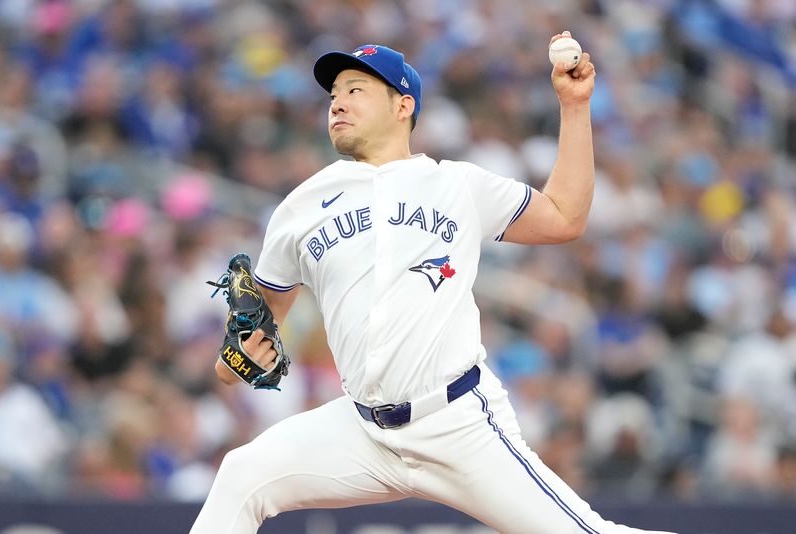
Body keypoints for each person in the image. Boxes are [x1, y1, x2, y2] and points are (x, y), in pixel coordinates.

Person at [191, 33, 675, 534]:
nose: (337, 101)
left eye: (356, 89)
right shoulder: (299, 207)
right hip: (361, 431)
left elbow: (564, 217)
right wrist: (237, 359)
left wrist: (575, 107)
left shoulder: (457, 185)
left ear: (403, 105)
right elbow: (251, 336)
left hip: (456, 422)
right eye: (334, 93)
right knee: (241, 475)